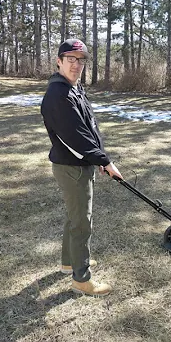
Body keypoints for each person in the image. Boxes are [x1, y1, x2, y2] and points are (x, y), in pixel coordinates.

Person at [40, 38, 123, 297]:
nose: (76, 64)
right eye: (71, 59)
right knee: (81, 223)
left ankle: (69, 262)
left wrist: (98, 158)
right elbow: (75, 138)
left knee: (75, 217)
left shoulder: (73, 87)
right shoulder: (59, 95)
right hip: (72, 168)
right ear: (59, 61)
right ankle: (81, 279)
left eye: (81, 60)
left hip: (78, 164)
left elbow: (89, 126)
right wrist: (104, 161)